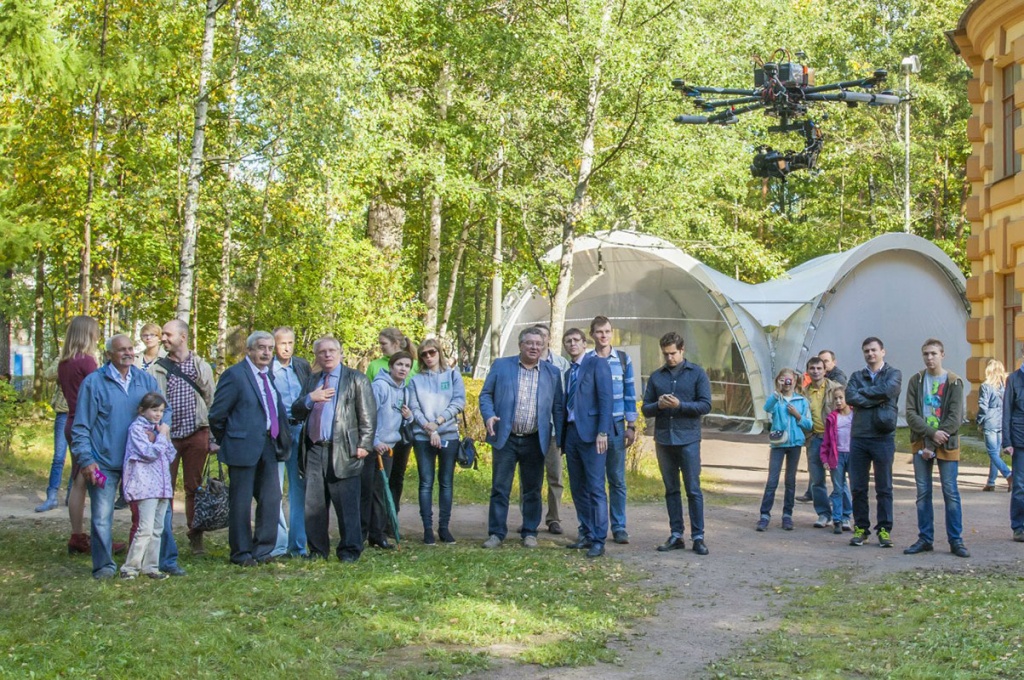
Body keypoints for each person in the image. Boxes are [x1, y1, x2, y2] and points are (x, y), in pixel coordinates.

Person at [71, 334, 172, 578]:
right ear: (108, 355)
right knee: (102, 518)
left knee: (148, 519)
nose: (128, 353)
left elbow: (163, 411)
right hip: (105, 461)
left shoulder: (144, 380)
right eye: (121, 350)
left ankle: (148, 564)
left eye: (130, 349)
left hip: (141, 465)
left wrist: (162, 430)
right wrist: (87, 460)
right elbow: (81, 426)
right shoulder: (94, 383)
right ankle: (104, 566)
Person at [208, 331, 291, 566]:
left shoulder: (269, 376)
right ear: (249, 350)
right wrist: (231, 439)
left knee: (271, 498)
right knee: (241, 502)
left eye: (269, 348)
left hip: (268, 444)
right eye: (261, 348)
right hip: (241, 446)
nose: (266, 353)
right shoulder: (235, 375)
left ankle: (263, 550)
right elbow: (217, 415)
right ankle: (241, 553)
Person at [479, 327, 564, 549]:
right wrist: (488, 416)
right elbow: (486, 394)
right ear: (520, 345)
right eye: (530, 343)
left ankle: (529, 532)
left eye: (538, 343)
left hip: (535, 439)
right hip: (505, 438)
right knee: (500, 487)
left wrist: (561, 440)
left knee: (532, 489)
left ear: (543, 345)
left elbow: (558, 408)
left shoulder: (552, 373)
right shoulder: (502, 366)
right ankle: (496, 533)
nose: (535, 347)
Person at [291, 336, 375, 562]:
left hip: (345, 449)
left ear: (340, 353)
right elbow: (296, 411)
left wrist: (364, 445)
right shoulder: (312, 380)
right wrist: (310, 398)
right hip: (314, 450)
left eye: (331, 351)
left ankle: (349, 550)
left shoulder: (356, 379)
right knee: (314, 504)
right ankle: (318, 551)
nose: (327, 355)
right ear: (316, 356)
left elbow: (367, 414)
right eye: (322, 352)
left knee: (347, 505)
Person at [641, 332, 711, 555]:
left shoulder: (697, 373)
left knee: (693, 489)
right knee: (671, 489)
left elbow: (705, 405)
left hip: (688, 438)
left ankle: (698, 536)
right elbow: (645, 408)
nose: (669, 358)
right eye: (665, 354)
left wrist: (680, 405)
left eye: (673, 353)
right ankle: (676, 534)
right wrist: (659, 406)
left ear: (682, 350)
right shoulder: (656, 377)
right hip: (664, 439)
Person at [150, 319, 215, 556]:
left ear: (183, 337)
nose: (163, 338)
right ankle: (162, 537)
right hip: (165, 438)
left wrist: (213, 436)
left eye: (168, 335)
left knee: (194, 488)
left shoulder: (200, 366)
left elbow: (212, 401)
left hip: (197, 433)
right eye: (162, 335)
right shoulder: (157, 367)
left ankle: (195, 535)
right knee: (162, 488)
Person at [903, 339, 969, 558]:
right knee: (923, 493)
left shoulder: (954, 381)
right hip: (921, 442)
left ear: (943, 354)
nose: (929, 358)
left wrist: (933, 442)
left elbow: (955, 418)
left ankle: (956, 540)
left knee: (950, 492)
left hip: (946, 444)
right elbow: (911, 414)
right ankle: (925, 538)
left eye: (933, 353)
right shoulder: (916, 380)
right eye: (925, 354)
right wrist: (930, 436)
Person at [845, 337, 902, 548]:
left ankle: (885, 530)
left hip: (883, 437)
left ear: (883, 352)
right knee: (858, 487)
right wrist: (876, 399)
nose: (870, 354)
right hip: (859, 437)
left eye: (874, 350)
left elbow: (889, 392)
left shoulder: (894, 374)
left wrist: (864, 395)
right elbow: (850, 397)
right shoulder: (856, 376)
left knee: (884, 487)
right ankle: (861, 529)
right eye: (866, 351)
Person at [560, 328, 612, 558]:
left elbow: (606, 400)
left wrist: (603, 432)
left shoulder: (597, 364)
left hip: (592, 436)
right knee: (578, 487)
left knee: (595, 488)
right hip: (571, 434)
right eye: (567, 341)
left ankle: (599, 539)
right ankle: (586, 532)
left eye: (576, 340)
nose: (572, 344)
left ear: (584, 343)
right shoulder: (568, 372)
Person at [408, 338, 466, 545]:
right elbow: (414, 408)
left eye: (432, 352)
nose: (428, 357)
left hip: (448, 433)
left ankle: (444, 527)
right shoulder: (415, 380)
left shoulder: (452, 375)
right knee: (425, 482)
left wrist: (438, 423)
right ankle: (427, 528)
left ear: (439, 352)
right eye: (424, 354)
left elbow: (459, 402)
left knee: (446, 482)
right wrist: (428, 427)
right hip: (423, 436)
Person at [588, 316, 638, 545]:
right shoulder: (586, 359)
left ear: (612, 333)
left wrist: (631, 425)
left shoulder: (623, 360)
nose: (604, 335)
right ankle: (594, 526)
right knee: (594, 481)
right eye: (599, 332)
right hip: (593, 427)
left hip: (617, 427)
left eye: (607, 331)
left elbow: (630, 393)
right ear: (592, 335)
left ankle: (619, 526)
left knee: (617, 479)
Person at [57, 316, 102, 554]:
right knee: (93, 480)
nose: (97, 336)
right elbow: (100, 392)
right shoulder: (86, 361)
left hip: (71, 422)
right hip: (88, 425)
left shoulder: (64, 362)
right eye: (95, 332)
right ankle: (96, 536)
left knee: (79, 481)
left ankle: (77, 534)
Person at [120, 392, 178, 580]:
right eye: (154, 410)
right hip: (144, 486)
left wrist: (163, 436)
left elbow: (170, 454)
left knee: (157, 529)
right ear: (142, 410)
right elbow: (149, 453)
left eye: (161, 410)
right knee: (144, 529)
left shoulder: (159, 430)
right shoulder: (136, 429)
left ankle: (151, 566)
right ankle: (130, 567)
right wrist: (160, 437)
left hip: (162, 486)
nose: (158, 414)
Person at [366, 328, 417, 516]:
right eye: (400, 365)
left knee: (397, 477)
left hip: (400, 434)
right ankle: (376, 522)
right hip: (381, 435)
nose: (380, 347)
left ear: (396, 343)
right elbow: (371, 404)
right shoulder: (375, 367)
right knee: (379, 479)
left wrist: (410, 416)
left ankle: (391, 518)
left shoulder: (414, 366)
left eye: (383, 344)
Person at [272, 326, 312, 557]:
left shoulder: (301, 366)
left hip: (299, 430)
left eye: (290, 343)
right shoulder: (267, 368)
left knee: (299, 488)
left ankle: (298, 545)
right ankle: (278, 544)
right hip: (277, 432)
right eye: (282, 343)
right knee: (274, 489)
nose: (286, 347)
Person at [756, 368, 812, 531]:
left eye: (789, 380)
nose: (787, 383)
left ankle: (787, 515)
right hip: (779, 443)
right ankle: (764, 515)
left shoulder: (801, 401)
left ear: (795, 381)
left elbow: (809, 425)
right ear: (779, 381)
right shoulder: (776, 400)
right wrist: (776, 392)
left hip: (794, 444)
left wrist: (797, 415)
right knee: (772, 480)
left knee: (790, 481)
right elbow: (766, 408)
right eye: (783, 379)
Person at [368, 351, 414, 548]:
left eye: (407, 366)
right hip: (375, 446)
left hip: (390, 447)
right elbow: (368, 415)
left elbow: (404, 419)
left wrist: (409, 416)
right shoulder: (379, 386)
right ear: (391, 367)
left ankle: (377, 533)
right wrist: (375, 440)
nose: (403, 369)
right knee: (374, 492)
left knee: (382, 491)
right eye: (399, 365)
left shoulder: (405, 390)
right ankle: (372, 534)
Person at [532, 323, 570, 535]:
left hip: (553, 432)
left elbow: (563, 397)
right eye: (536, 336)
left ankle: (553, 518)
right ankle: (530, 518)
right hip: (531, 431)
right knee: (530, 477)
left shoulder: (561, 364)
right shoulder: (525, 363)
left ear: (548, 339)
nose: (540, 340)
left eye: (543, 336)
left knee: (555, 476)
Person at [802, 357, 842, 528]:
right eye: (812, 368)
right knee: (817, 480)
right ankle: (823, 514)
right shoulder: (804, 392)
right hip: (814, 439)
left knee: (838, 479)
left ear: (825, 370)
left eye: (819, 368)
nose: (816, 371)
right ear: (808, 371)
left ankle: (843, 515)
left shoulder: (834, 389)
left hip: (832, 439)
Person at [35, 360, 69, 513]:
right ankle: (52, 496)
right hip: (63, 411)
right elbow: (49, 375)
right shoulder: (63, 356)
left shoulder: (89, 354)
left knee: (80, 457)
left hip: (82, 412)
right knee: (58, 457)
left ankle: (72, 495)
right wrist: (65, 363)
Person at [820, 386, 854, 533]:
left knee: (854, 488)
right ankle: (838, 519)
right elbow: (826, 440)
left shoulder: (855, 415)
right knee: (838, 487)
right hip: (837, 455)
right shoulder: (832, 418)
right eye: (836, 399)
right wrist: (824, 458)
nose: (839, 401)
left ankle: (848, 516)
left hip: (853, 455)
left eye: (841, 398)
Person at [978, 359, 1011, 492]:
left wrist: (979, 421)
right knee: (996, 453)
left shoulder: (986, 386)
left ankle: (1009, 475)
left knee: (992, 453)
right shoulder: (1003, 387)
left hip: (990, 421)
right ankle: (991, 482)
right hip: (1001, 421)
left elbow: (983, 406)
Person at [1002, 346, 1024, 542]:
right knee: (1020, 486)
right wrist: (1007, 441)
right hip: (1020, 440)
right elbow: (1007, 411)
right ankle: (1019, 527)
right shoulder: (1014, 379)